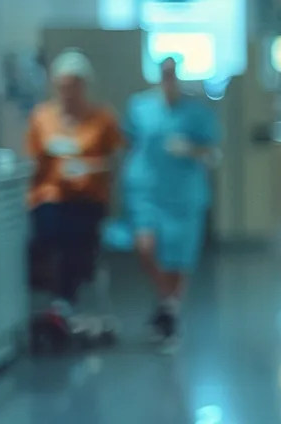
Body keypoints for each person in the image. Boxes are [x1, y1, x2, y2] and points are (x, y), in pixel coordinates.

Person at [121, 56, 221, 349]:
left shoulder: (197, 113)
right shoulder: (140, 107)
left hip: (184, 193)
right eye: (164, 73)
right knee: (146, 246)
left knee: (179, 255)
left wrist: (190, 149)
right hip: (147, 190)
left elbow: (212, 151)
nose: (168, 79)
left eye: (173, 73)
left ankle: (169, 310)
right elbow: (129, 141)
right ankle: (167, 303)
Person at [25, 49, 125, 330]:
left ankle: (65, 300)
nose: (68, 93)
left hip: (87, 197)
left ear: (85, 86)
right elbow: (33, 159)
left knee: (77, 237)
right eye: (63, 86)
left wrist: (89, 168)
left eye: (74, 86)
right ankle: (56, 299)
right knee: (49, 234)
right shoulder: (42, 117)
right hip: (49, 197)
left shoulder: (102, 118)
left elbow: (114, 161)